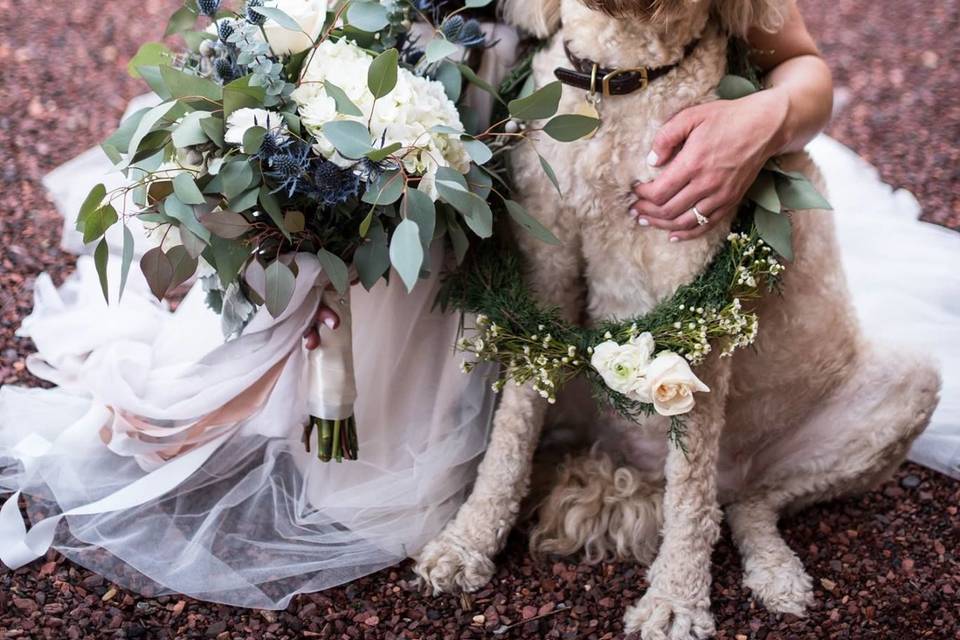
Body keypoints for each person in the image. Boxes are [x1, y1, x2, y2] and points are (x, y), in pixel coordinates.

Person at [1, 1, 957, 611]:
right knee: (339, 455)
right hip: (435, 170)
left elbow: (805, 66)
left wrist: (764, 120)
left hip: (587, 139)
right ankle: (228, 371)